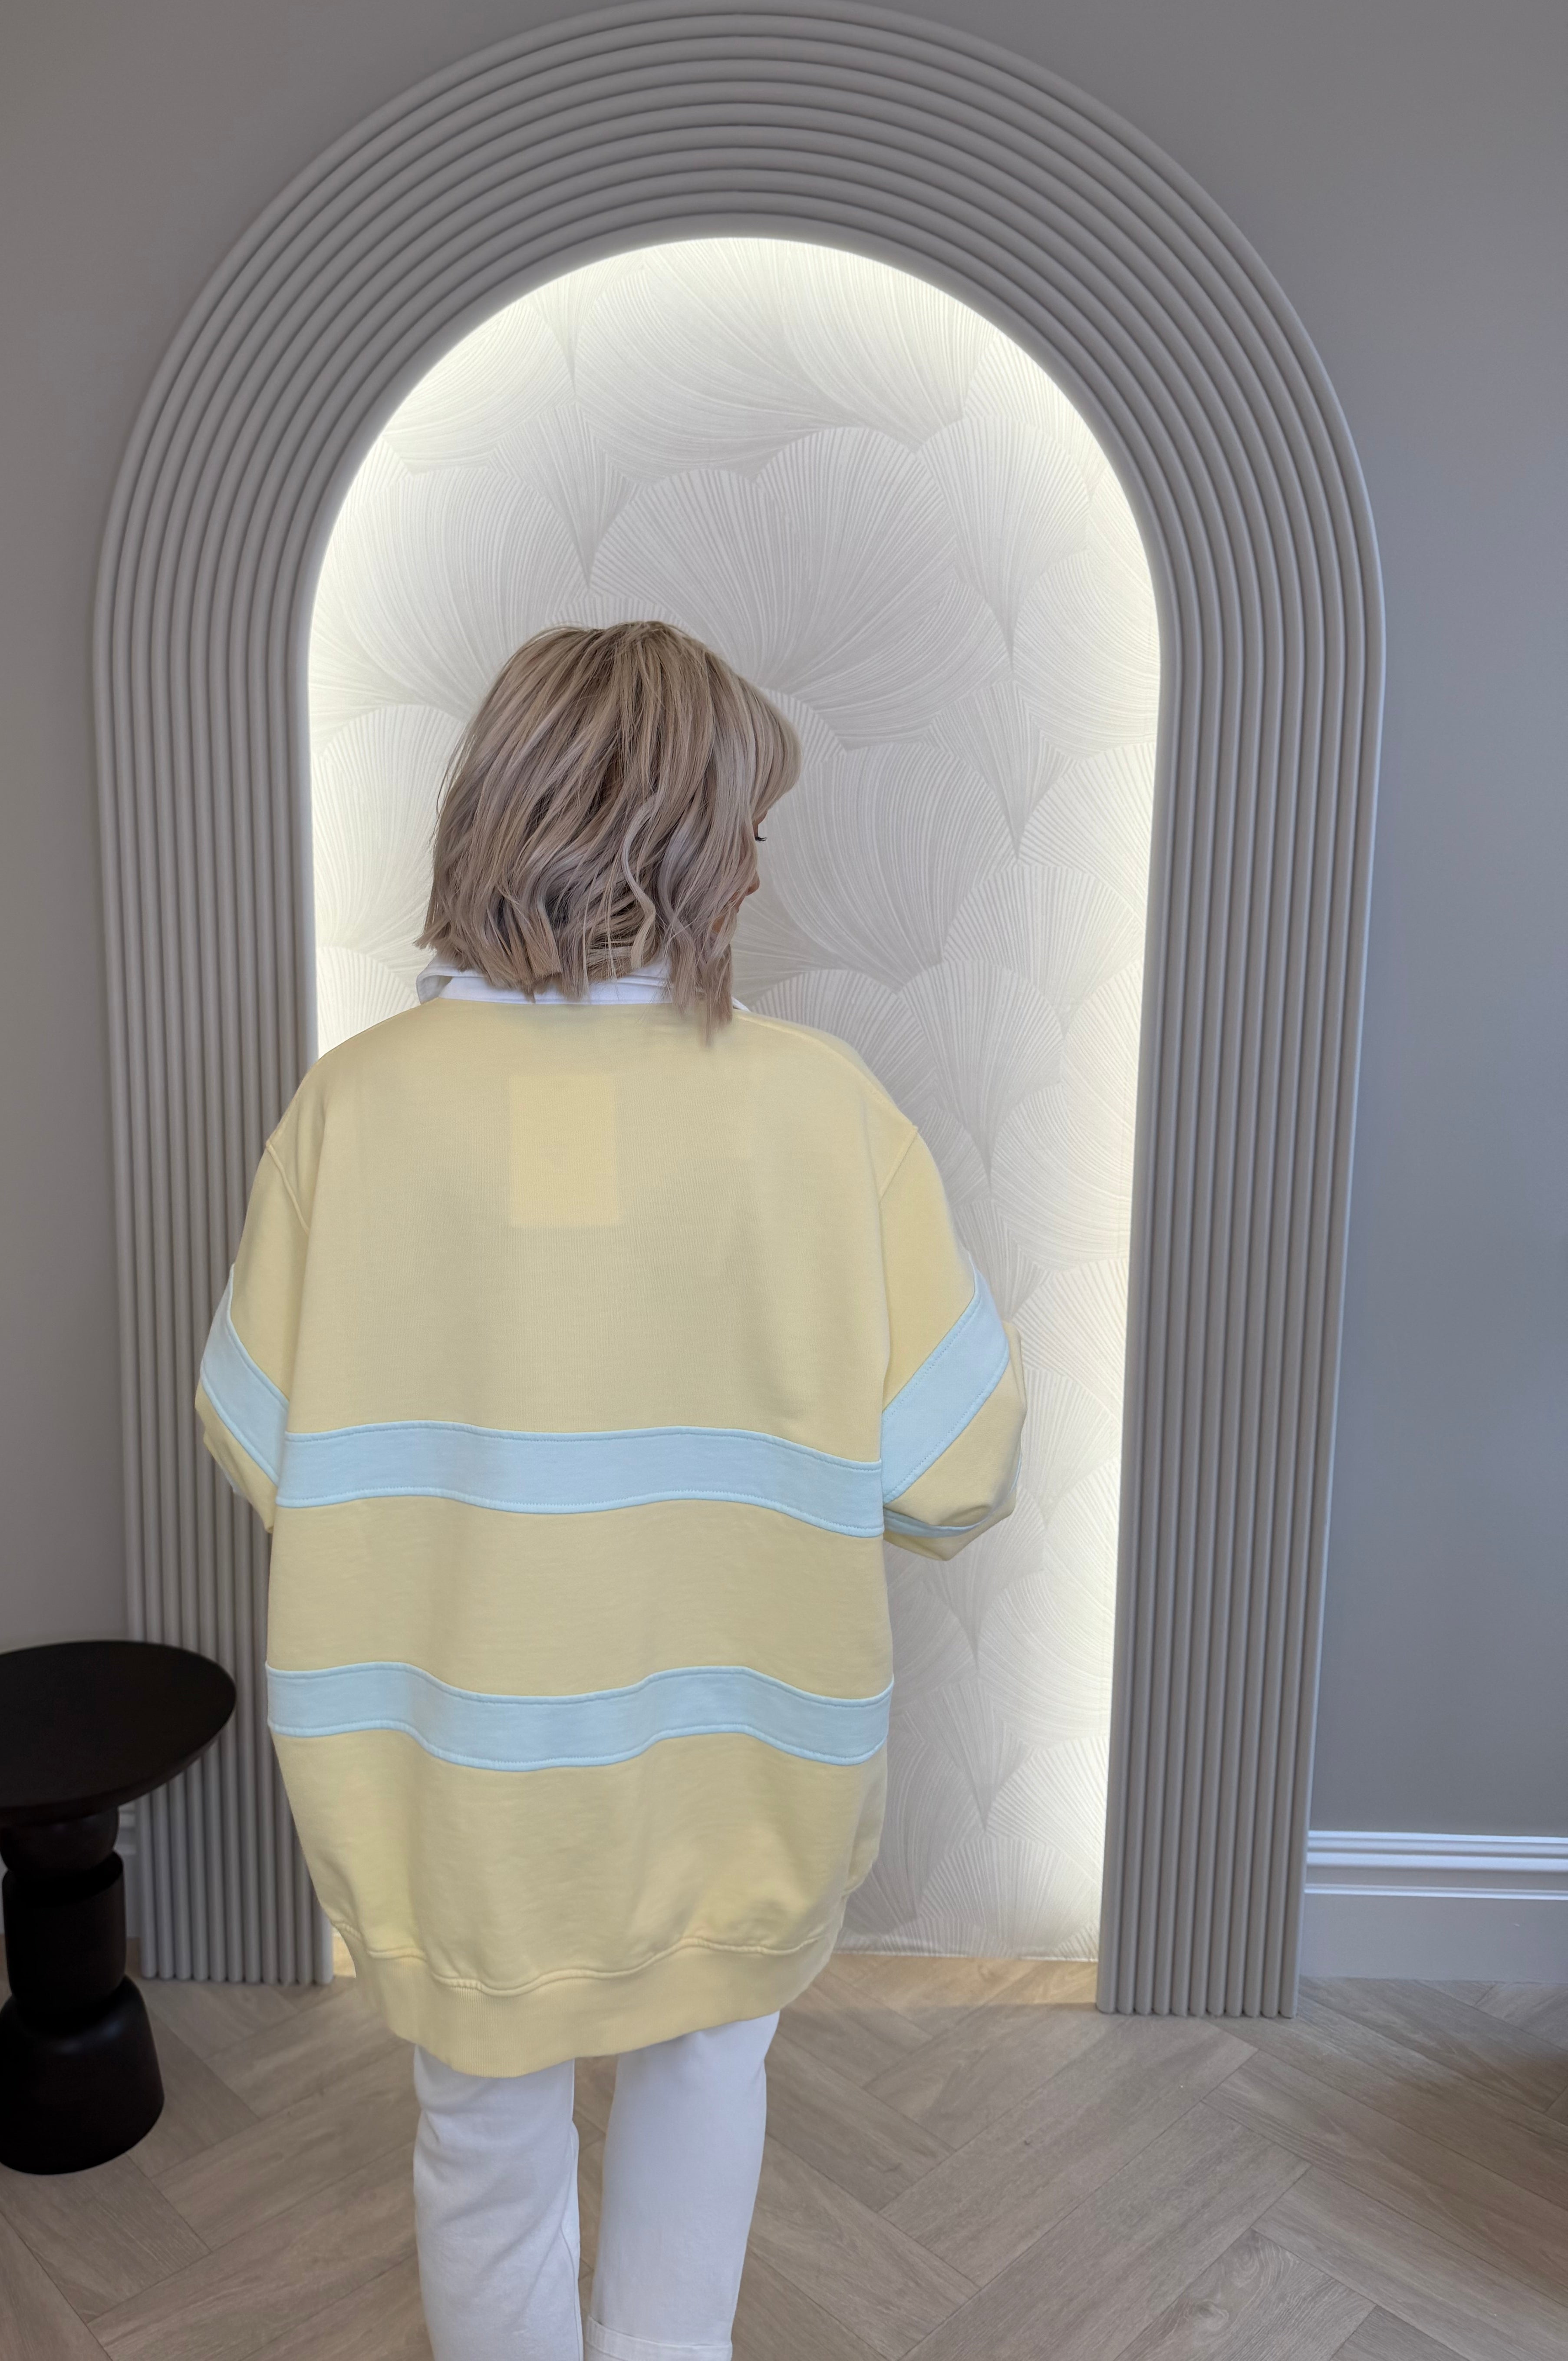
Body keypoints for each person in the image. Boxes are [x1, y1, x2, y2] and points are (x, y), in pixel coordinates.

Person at [196, 620, 1026, 2361]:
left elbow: (257, 1442)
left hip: (446, 1782)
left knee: (476, 2126)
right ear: (687, 841)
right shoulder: (826, 1114)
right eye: (751, 827)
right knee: (705, 2075)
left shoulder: (354, 1110)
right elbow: (957, 1469)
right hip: (736, 1767)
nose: (763, 867)